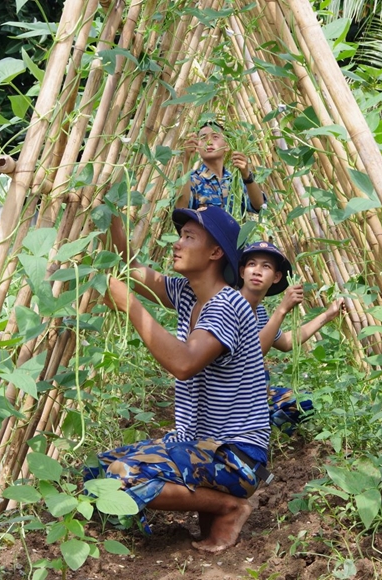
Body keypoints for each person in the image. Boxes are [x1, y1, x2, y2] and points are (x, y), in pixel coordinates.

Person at [88, 206, 270, 553]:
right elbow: (134, 266)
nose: (177, 244)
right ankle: (212, 500)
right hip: (203, 448)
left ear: (216, 252)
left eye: (189, 237)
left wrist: (131, 306)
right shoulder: (189, 293)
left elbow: (185, 364)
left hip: (236, 455)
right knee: (100, 471)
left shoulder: (227, 304)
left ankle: (230, 506)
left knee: (122, 476)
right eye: (179, 235)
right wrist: (109, 211)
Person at [237, 241, 344, 433]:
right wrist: (282, 309)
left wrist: (327, 315)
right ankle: (253, 426)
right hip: (231, 397)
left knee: (307, 402)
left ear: (277, 277)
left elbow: (286, 342)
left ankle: (263, 426)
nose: (257, 271)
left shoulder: (259, 312)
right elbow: (253, 353)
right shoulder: (229, 304)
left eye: (266, 266)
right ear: (242, 271)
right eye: (252, 264)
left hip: (256, 393)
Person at [174, 121, 266, 217]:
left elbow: (260, 207)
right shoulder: (191, 180)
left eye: (215, 137)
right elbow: (181, 210)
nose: (209, 142)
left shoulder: (235, 181)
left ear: (227, 145)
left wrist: (247, 176)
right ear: (197, 147)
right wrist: (187, 161)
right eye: (203, 138)